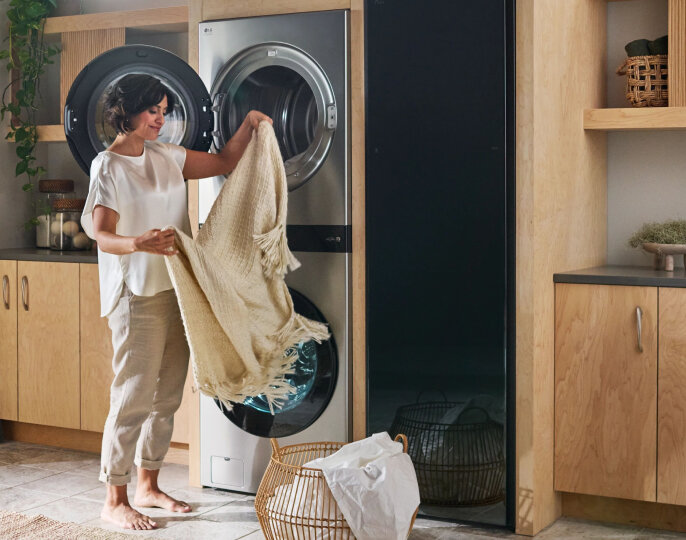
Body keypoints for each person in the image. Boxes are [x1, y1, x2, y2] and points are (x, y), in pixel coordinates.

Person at [80, 73, 272, 531]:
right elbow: (98, 232)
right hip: (137, 294)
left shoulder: (168, 156)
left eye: (164, 112)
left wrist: (248, 124)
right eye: (152, 111)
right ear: (125, 112)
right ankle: (114, 497)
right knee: (133, 396)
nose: (160, 120)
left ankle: (148, 485)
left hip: (177, 289)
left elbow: (227, 159)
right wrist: (138, 243)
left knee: (165, 397)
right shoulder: (108, 166)